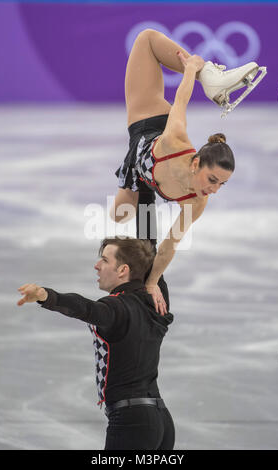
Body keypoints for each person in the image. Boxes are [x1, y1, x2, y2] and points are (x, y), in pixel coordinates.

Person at [111, 29, 265, 315]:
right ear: (196, 164)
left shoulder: (197, 202)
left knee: (119, 216)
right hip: (148, 118)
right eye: (212, 180)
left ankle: (207, 74)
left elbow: (170, 243)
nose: (214, 190)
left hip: (146, 173)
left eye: (222, 184)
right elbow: (180, 101)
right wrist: (192, 69)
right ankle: (209, 76)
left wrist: (152, 282)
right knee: (145, 38)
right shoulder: (174, 140)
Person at [17, 237, 175, 450]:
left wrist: (46, 296)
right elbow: (150, 243)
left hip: (132, 424)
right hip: (161, 421)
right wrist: (145, 202)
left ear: (123, 270)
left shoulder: (116, 308)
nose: (97, 265)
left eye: (104, 260)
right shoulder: (157, 299)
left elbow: (85, 308)